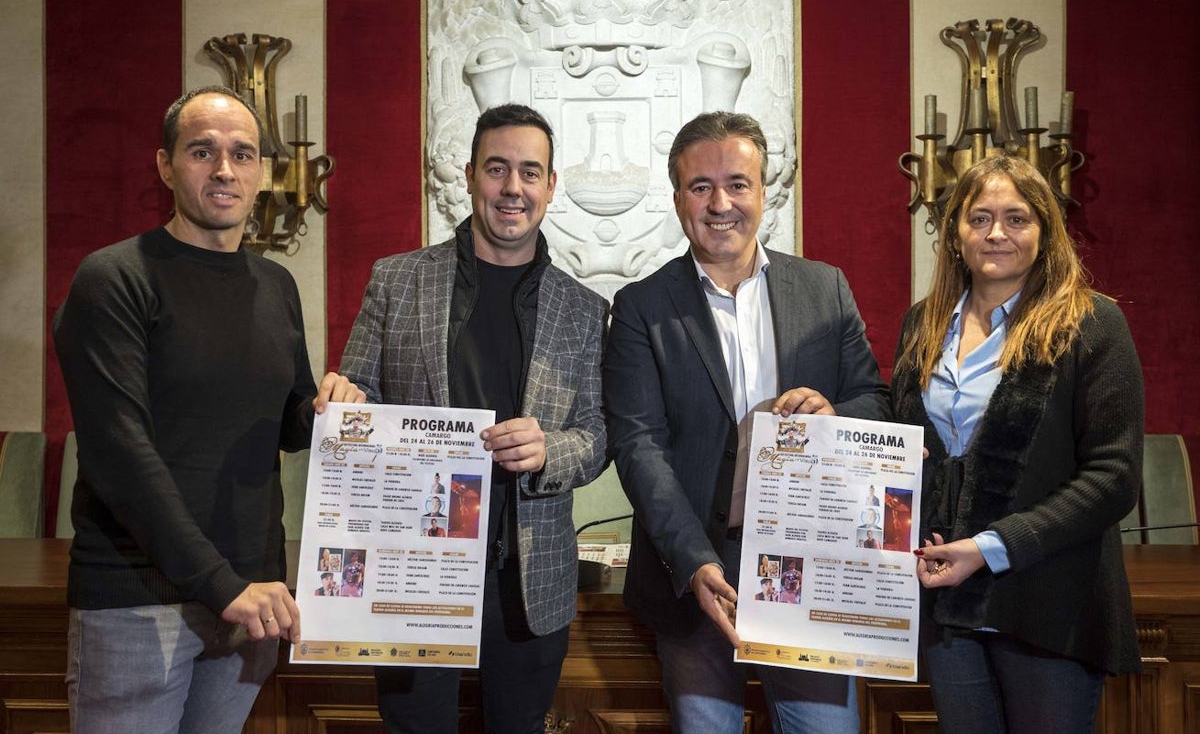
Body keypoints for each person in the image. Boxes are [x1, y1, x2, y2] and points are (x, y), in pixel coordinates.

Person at [53, 86, 364, 734]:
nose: (225, 169)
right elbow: (119, 454)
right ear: (166, 165)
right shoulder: (114, 279)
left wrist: (334, 408)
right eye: (203, 151)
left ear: (261, 172)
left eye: (242, 154)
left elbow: (286, 421)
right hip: (143, 601)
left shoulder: (274, 285)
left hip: (250, 605)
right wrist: (222, 585)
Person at [604, 110, 888, 734]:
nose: (720, 203)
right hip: (696, 574)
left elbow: (876, 401)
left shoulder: (825, 289)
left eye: (738, 183)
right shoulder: (640, 308)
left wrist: (834, 413)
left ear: (765, 191)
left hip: (813, 565)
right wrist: (694, 561)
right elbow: (638, 445)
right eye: (700, 187)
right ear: (677, 197)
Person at [340, 103, 608, 734]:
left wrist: (550, 451)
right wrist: (344, 398)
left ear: (549, 185)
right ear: (468, 176)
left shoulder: (584, 308)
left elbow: (600, 433)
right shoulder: (397, 281)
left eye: (529, 172)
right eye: (497, 169)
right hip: (412, 570)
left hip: (527, 580)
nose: (512, 188)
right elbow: (358, 391)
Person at [890, 155, 1143, 734]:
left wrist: (989, 546)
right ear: (954, 234)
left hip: (1051, 604)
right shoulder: (921, 325)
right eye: (979, 218)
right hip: (948, 608)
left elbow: (1114, 477)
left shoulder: (1091, 325)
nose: (996, 233)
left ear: (1045, 231)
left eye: (1016, 218)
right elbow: (900, 440)